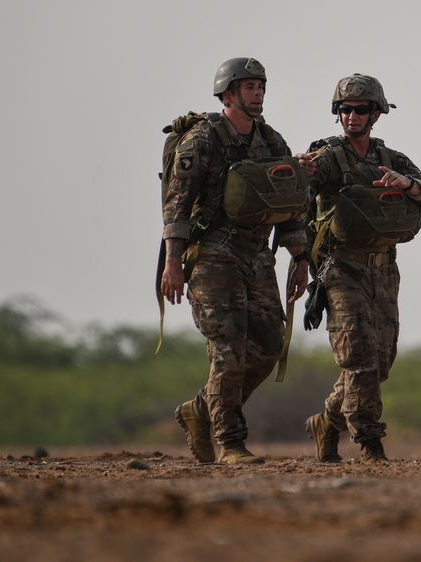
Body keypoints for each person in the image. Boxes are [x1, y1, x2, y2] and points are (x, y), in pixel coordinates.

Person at [161, 57, 310, 464]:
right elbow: (178, 205)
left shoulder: (272, 141)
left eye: (261, 86)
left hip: (258, 256)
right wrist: (173, 263)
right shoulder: (202, 141)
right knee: (228, 349)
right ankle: (230, 441)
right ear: (227, 94)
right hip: (213, 256)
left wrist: (301, 259)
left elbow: (291, 201)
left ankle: (201, 409)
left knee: (268, 345)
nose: (258, 93)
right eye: (249, 87)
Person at [298, 73, 421, 464]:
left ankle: (327, 421)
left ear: (375, 113)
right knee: (357, 358)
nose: (351, 116)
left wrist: (406, 184)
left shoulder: (390, 158)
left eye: (360, 109)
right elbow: (301, 191)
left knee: (379, 363)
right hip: (342, 269)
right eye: (345, 109)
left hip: (384, 269)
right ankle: (370, 442)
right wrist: (301, 172)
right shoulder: (327, 157)